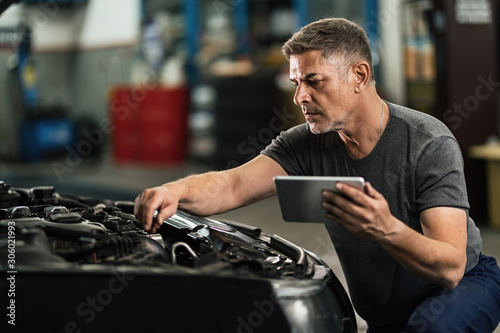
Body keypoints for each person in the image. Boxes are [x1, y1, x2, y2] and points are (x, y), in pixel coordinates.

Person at [135, 18, 500, 332]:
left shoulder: (427, 142)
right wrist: (175, 191)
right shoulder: (307, 142)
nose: (300, 97)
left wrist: (385, 228)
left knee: (430, 327)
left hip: (460, 289)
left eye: (314, 81)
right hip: (385, 310)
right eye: (295, 82)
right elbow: (233, 184)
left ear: (359, 75)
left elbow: (451, 267)